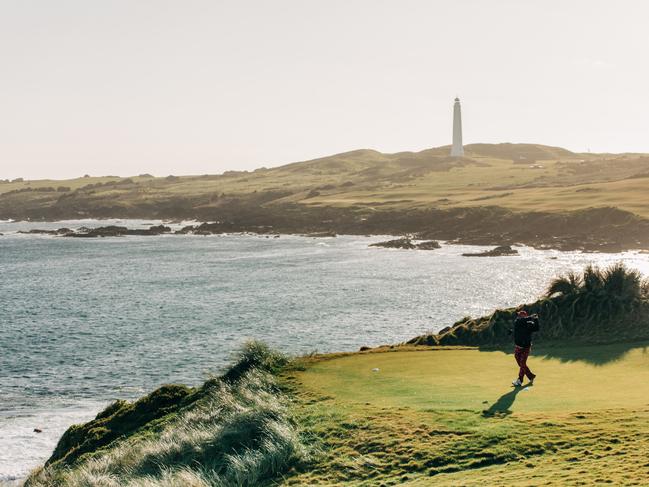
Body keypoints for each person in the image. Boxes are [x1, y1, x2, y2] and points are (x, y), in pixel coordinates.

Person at [510, 310, 539, 387]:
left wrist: (536, 319)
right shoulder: (517, 322)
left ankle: (520, 380)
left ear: (523, 316)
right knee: (520, 363)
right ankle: (531, 376)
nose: (518, 317)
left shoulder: (529, 324)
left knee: (522, 363)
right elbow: (522, 320)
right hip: (518, 347)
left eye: (520, 315)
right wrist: (530, 317)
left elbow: (536, 328)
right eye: (518, 315)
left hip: (526, 347)